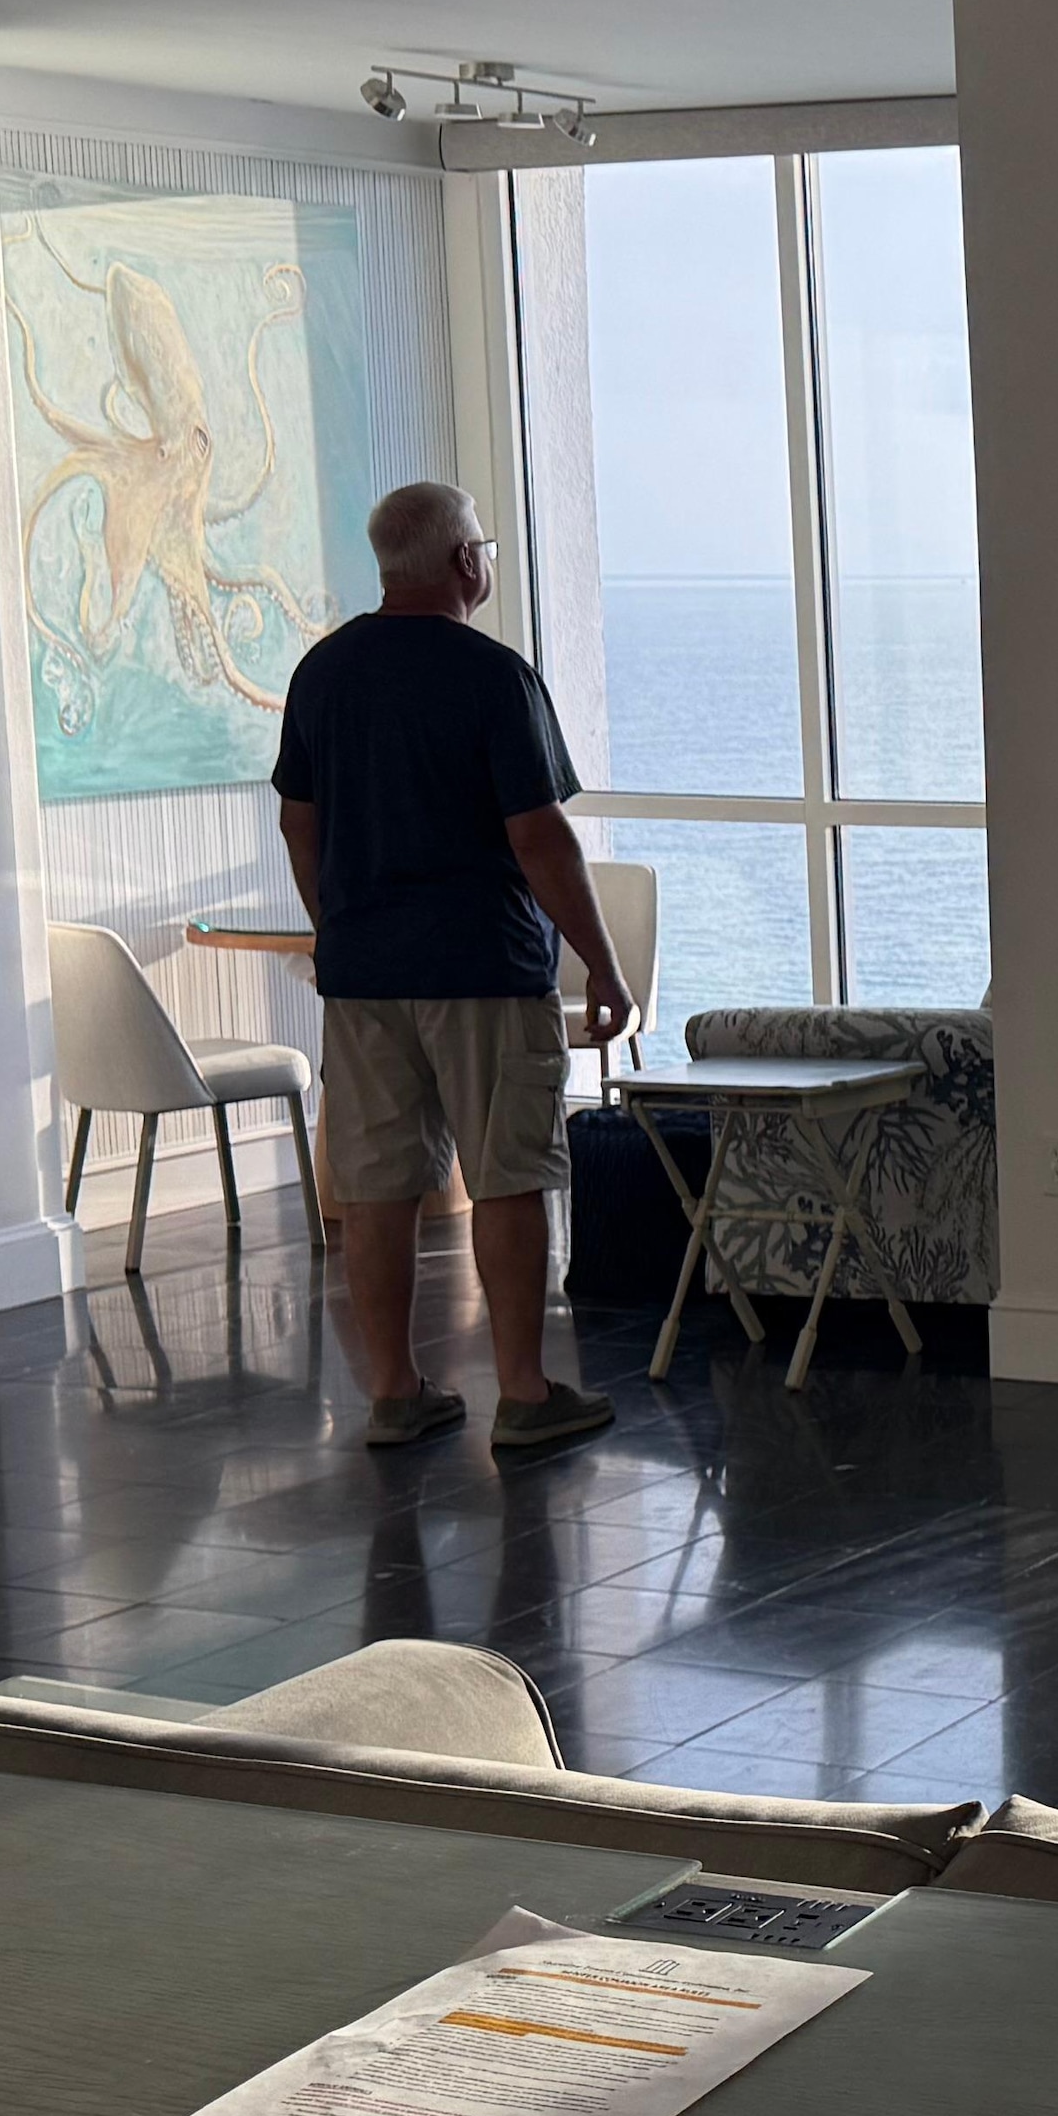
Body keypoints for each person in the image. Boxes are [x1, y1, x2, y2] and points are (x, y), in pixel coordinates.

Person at [271, 481, 638, 1462]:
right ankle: (523, 1392)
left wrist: (337, 927)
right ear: (462, 562)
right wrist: (601, 965)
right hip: (484, 966)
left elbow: (299, 824)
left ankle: (394, 1393)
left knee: (377, 1188)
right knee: (508, 1173)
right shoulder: (493, 676)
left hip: (363, 976)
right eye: (484, 547)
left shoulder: (322, 674)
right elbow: (540, 839)